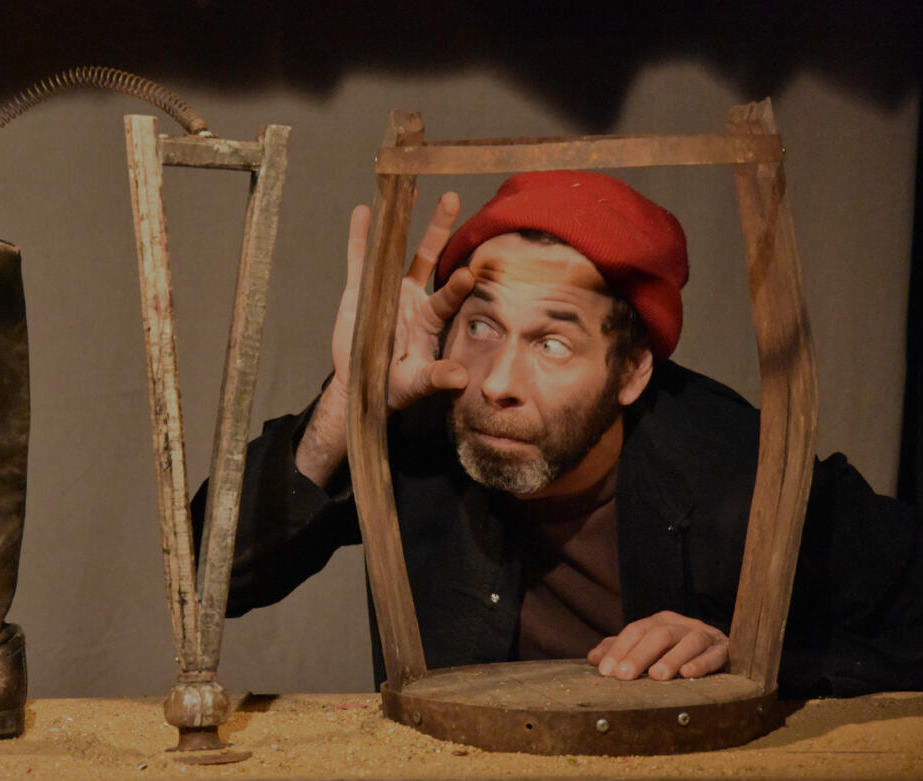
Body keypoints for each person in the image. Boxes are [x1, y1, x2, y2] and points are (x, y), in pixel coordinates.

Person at [192, 170, 923, 697]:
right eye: (482, 327)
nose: (499, 382)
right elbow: (202, 580)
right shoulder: (424, 424)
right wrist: (347, 405)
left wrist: (748, 658)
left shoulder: (735, 465)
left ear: (632, 371)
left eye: (552, 343)